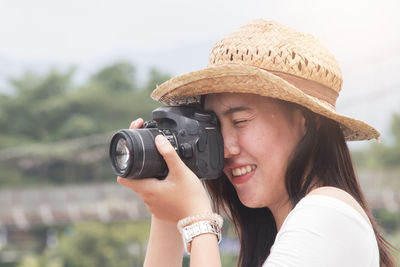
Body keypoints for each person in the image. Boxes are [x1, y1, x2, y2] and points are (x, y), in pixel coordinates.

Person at [117, 19, 396, 266]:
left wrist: (198, 219)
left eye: (240, 122)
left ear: (309, 122)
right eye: (215, 127)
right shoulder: (285, 231)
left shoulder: (327, 215)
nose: (227, 148)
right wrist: (166, 212)